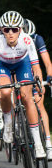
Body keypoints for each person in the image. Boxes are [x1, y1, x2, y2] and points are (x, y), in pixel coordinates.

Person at [0, 11, 46, 158]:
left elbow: (36, 66)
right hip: (4, 66)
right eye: (6, 29)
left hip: (22, 64)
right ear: (2, 30)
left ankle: (38, 144)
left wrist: (39, 82)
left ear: (20, 29)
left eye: (14, 29)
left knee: (28, 98)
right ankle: (8, 123)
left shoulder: (27, 40)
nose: (10, 33)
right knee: (6, 91)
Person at [22, 18, 52, 159]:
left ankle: (48, 143)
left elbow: (46, 61)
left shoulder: (37, 39)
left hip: (35, 73)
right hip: (21, 73)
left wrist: (50, 76)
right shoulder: (17, 40)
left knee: (39, 105)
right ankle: (20, 130)